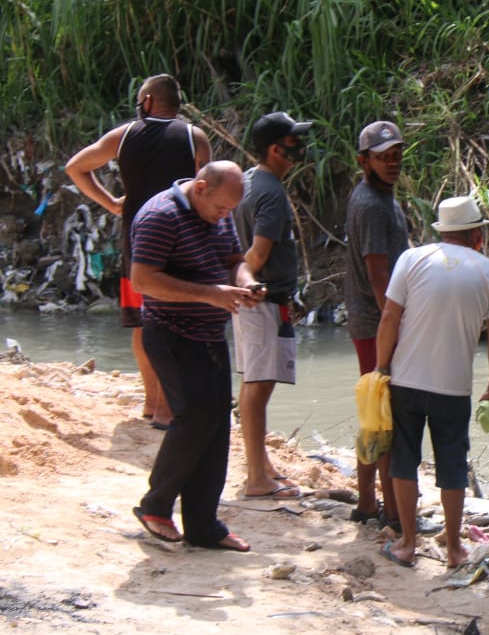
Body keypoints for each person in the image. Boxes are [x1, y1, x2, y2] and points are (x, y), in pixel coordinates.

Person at [374, 194, 489, 569]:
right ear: (477, 236)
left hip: (405, 380)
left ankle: (407, 544)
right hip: (454, 388)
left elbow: (389, 318)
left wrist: (381, 367)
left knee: (404, 460)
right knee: (452, 465)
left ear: (442, 230)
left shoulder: (411, 259)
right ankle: (454, 548)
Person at [129, 161, 263, 552]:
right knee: (194, 418)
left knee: (217, 424)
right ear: (201, 188)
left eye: (229, 211)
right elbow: (143, 280)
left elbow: (234, 261)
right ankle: (156, 505)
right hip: (171, 332)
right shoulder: (160, 216)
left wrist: (247, 283)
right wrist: (210, 294)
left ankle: (203, 526)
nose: (224, 216)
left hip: (209, 332)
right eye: (221, 208)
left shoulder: (218, 210)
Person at [66, 73, 212, 429]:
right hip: (181, 238)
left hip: (137, 238)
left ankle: (151, 402)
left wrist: (111, 203)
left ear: (147, 101)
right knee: (177, 317)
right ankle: (168, 404)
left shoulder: (124, 135)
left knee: (142, 322)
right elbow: (206, 188)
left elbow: (76, 167)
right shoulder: (194, 137)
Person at [232, 111, 313, 499]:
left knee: (252, 383)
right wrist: (247, 284)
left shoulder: (248, 181)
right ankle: (256, 479)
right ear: (275, 149)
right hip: (261, 300)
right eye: (294, 141)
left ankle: (260, 466)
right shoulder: (272, 194)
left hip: (252, 300)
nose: (300, 147)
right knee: (258, 387)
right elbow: (258, 254)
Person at [343, 121, 409, 529]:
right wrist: (394, 327)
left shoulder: (382, 198)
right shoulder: (371, 204)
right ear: (364, 161)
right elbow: (377, 274)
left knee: (374, 412)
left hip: (373, 321)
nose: (393, 162)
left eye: (397, 155)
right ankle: (394, 512)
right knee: (386, 416)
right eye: (383, 157)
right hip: (375, 323)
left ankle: (368, 502)